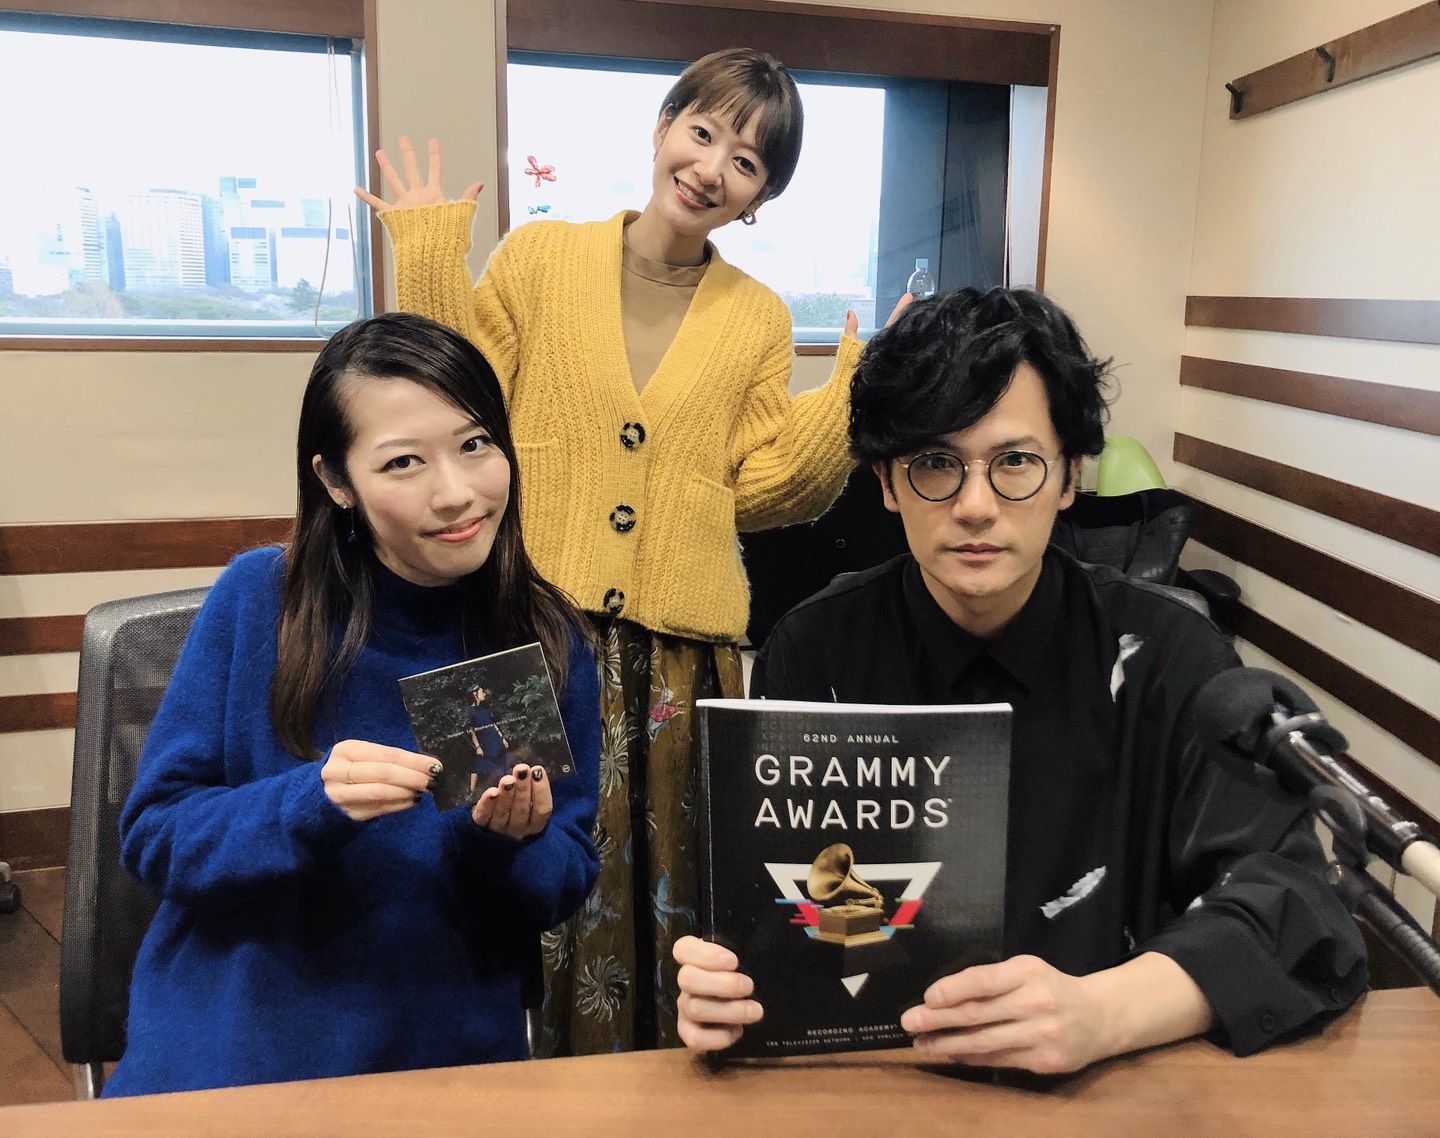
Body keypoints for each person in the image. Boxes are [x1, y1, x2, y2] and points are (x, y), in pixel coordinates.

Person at [672, 287, 1367, 1074]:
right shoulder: (815, 648)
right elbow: (775, 910)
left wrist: (1103, 1014)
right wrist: (729, 982)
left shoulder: (1169, 657)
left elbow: (1294, 907)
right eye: (936, 464)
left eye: (1016, 463)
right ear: (887, 483)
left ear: (1070, 476)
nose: (976, 506)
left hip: (1109, 1090)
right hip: (878, 1088)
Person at [356, 47, 899, 1054]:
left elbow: (767, 488)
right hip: (522, 630)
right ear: (663, 127)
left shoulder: (758, 318)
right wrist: (428, 251)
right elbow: (451, 396)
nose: (712, 168)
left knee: (670, 902)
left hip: (678, 661)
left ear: (761, 197)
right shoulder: (540, 258)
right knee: (493, 860)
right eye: (704, 132)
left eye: (747, 162)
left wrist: (855, 400)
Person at [105, 313, 601, 1096]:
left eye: (475, 444)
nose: (457, 493)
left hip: (443, 1049)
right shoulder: (262, 601)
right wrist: (309, 802)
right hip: (239, 1044)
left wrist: (504, 842)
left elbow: (559, 883)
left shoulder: (538, 638)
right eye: (403, 462)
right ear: (336, 482)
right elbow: (156, 836)